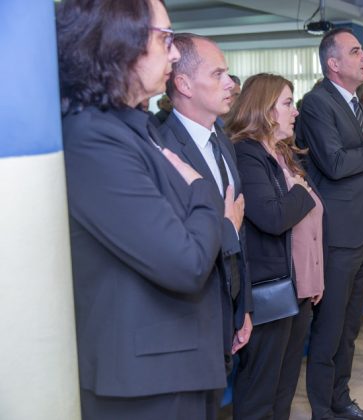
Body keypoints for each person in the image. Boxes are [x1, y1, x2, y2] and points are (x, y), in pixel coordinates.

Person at [56, 1, 230, 418]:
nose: (174, 51)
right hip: (145, 382)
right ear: (119, 41)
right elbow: (186, 262)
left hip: (177, 362)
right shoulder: (93, 138)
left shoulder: (137, 127)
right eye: (165, 38)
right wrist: (204, 191)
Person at [296, 28, 363, 420]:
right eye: (355, 51)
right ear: (333, 63)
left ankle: (340, 398)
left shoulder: (356, 105)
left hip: (362, 234)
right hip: (337, 236)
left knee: (349, 328)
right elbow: (334, 164)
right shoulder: (318, 103)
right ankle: (323, 409)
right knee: (330, 329)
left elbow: (358, 167)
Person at [227, 73, 325, 420]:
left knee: (284, 384)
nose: (295, 111)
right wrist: (300, 190)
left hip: (297, 285)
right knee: (261, 390)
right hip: (271, 288)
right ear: (266, 109)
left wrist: (314, 277)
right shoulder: (247, 153)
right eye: (287, 103)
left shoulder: (281, 152)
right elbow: (272, 217)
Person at [159, 33, 253, 375]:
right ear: (184, 84)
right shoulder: (163, 149)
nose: (230, 83)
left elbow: (239, 229)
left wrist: (243, 306)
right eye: (217, 74)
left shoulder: (222, 141)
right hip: (190, 316)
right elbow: (174, 246)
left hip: (227, 308)